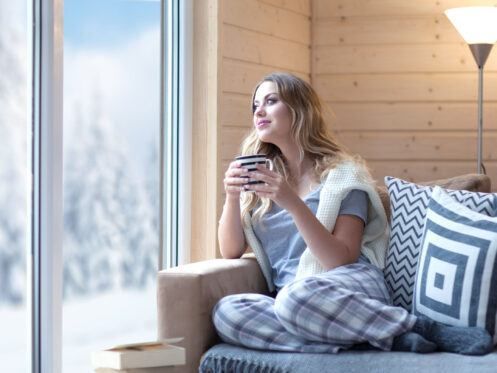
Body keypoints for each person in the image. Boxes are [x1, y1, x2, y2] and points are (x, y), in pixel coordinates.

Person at [213, 72, 492, 355]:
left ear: (300, 111)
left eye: (271, 101)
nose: (259, 110)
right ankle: (382, 338)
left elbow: (339, 258)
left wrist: (292, 202)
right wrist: (233, 196)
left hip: (349, 285)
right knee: (227, 312)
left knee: (294, 299)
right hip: (298, 300)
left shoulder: (343, 176)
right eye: (255, 105)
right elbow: (231, 250)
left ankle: (421, 327)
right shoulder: (261, 181)